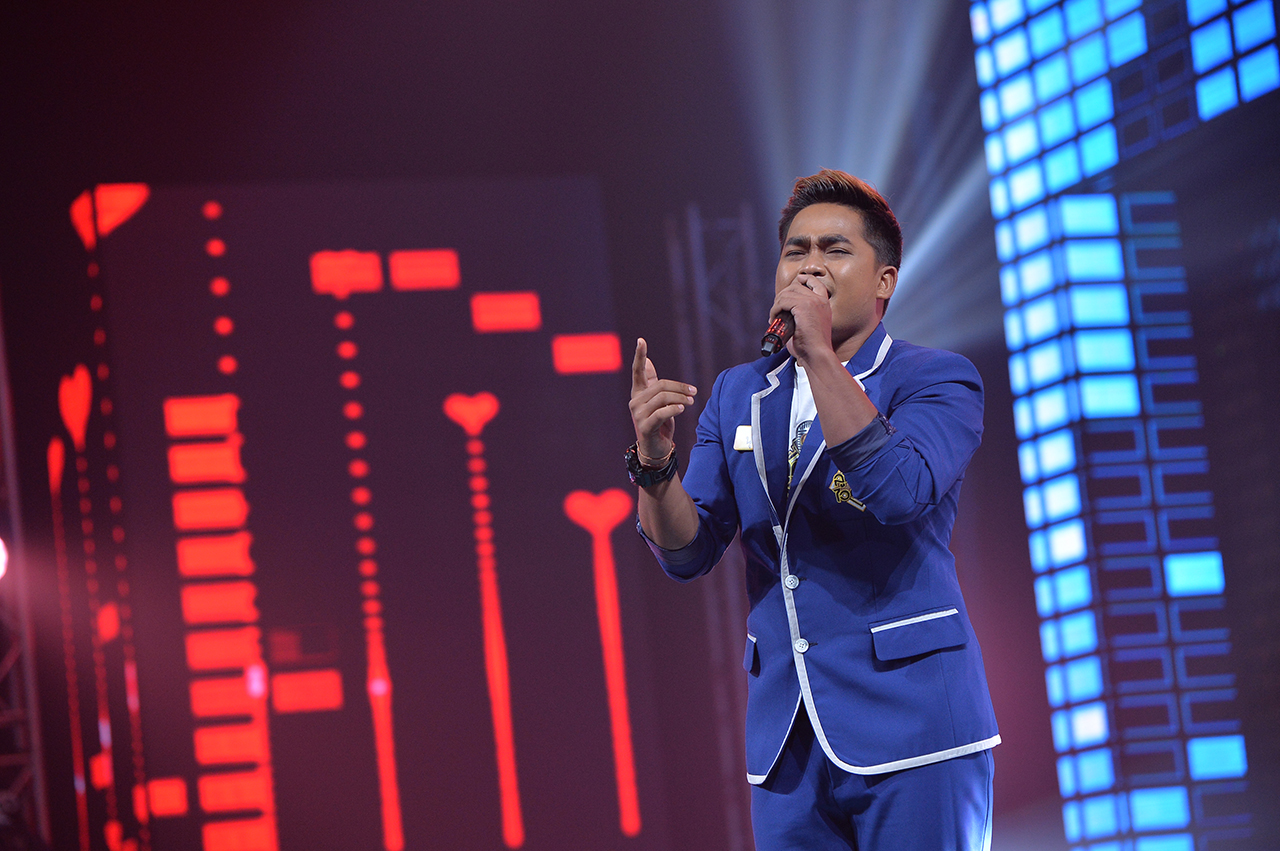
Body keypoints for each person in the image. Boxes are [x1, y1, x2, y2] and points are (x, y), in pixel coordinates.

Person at [627, 169, 999, 849]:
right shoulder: (739, 393)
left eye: (835, 250)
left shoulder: (934, 378)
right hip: (787, 742)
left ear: (884, 280)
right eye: (795, 250)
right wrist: (655, 467)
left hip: (914, 724)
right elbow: (688, 551)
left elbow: (898, 490)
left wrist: (820, 354)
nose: (810, 266)